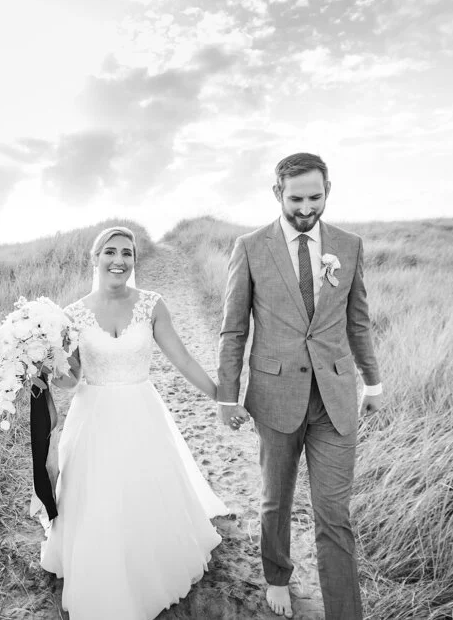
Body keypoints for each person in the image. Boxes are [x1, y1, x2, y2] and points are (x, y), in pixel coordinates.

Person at [215, 153, 384, 619]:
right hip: (275, 397)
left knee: (334, 514)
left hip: (335, 399)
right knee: (276, 500)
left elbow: (358, 320)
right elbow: (234, 328)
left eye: (315, 196)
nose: (306, 207)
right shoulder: (250, 247)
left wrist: (373, 381)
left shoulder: (348, 245)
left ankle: (345, 613)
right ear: (277, 194)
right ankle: (277, 576)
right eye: (296, 198)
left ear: (328, 189)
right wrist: (228, 395)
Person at [40, 226, 228, 620]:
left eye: (127, 253)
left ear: (134, 261)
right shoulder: (73, 315)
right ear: (95, 258)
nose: (119, 260)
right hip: (92, 416)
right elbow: (71, 378)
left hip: (141, 412)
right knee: (97, 495)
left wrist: (220, 396)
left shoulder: (152, 305)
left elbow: (184, 360)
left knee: (144, 488)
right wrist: (37, 365)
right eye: (110, 252)